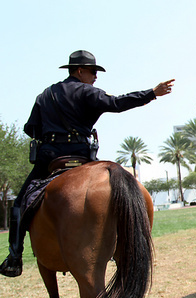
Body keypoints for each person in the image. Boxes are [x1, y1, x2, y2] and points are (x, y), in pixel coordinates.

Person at [0, 50, 174, 278]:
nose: (96, 77)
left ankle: (15, 255)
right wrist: (151, 93)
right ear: (79, 71)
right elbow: (116, 103)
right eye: (93, 71)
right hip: (82, 156)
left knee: (20, 203)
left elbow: (29, 128)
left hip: (51, 157)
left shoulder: (45, 95)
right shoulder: (86, 92)